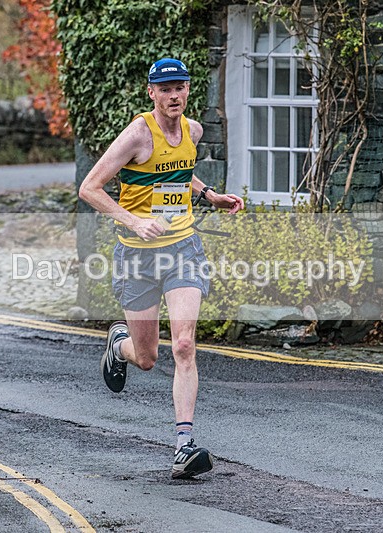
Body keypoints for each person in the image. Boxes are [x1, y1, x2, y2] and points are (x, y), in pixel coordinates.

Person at [79, 58, 244, 479]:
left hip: (183, 251)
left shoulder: (193, 131)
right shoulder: (137, 135)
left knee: (185, 345)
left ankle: (183, 446)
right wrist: (133, 220)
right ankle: (119, 346)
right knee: (149, 358)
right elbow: (90, 188)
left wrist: (209, 194)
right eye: (165, 89)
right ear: (150, 93)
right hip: (136, 256)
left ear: (189, 90)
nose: (174, 95)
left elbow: (179, 173)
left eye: (180, 87)